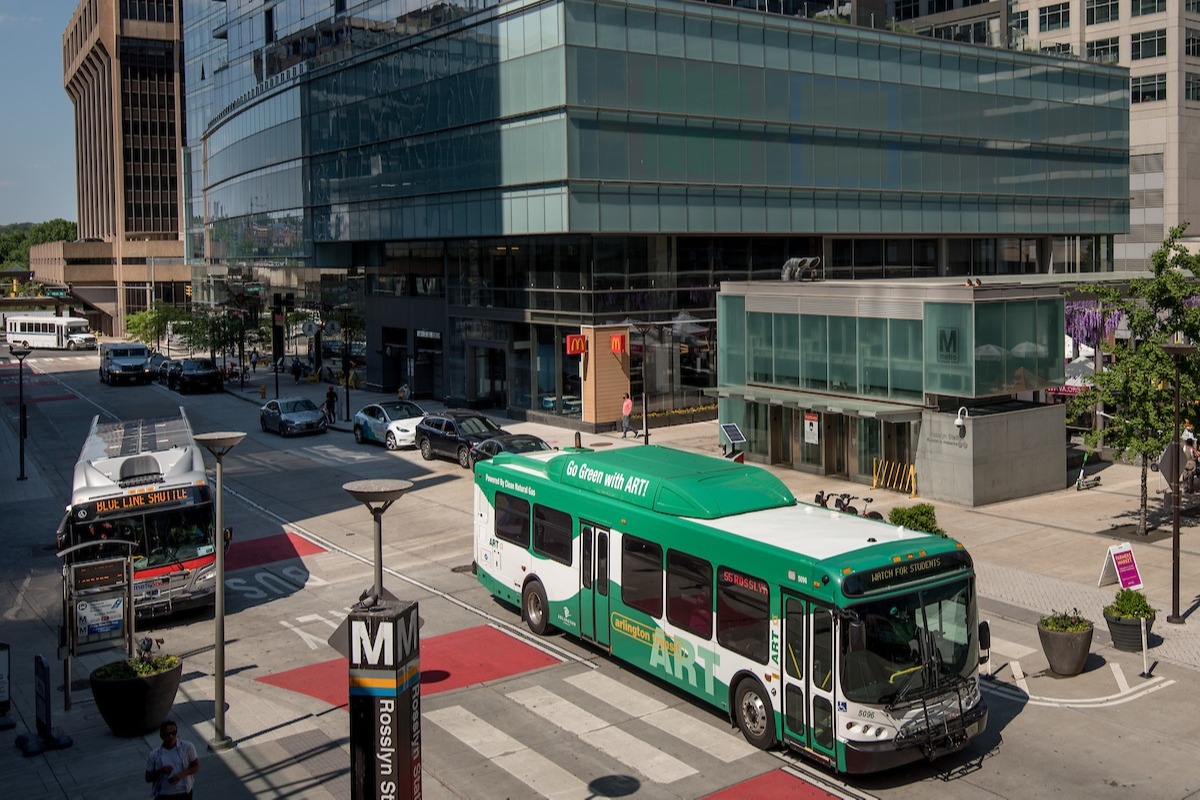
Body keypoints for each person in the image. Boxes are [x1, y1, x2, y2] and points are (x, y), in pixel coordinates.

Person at [144, 720, 199, 799]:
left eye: (174, 733)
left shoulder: (187, 747)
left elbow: (196, 766)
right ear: (161, 736)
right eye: (167, 734)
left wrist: (181, 775)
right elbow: (148, 778)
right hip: (164, 794)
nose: (171, 736)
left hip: (184, 792)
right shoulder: (154, 755)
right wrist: (161, 771)